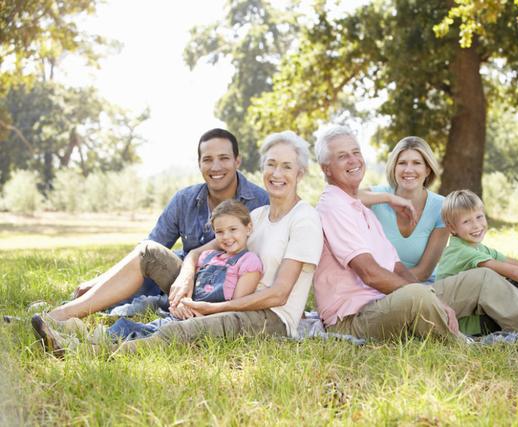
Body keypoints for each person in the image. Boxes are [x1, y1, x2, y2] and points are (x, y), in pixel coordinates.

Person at [312, 125, 518, 351]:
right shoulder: (335, 207)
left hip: (390, 301)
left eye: (356, 152)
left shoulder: (361, 207)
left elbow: (395, 268)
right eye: (343, 157)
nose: (353, 160)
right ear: (326, 168)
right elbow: (369, 272)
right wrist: (430, 297)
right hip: (356, 318)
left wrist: (430, 291)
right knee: (418, 297)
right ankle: (468, 348)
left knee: (480, 278)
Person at [33, 130, 324, 356]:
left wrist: (212, 309)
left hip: (268, 317)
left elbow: (280, 294)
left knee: (184, 330)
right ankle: (67, 320)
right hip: (222, 293)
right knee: (151, 254)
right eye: (271, 164)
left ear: (300, 173)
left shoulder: (304, 220)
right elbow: (200, 250)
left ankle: (85, 348)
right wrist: (188, 272)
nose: (276, 173)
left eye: (287, 166)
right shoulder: (257, 215)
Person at [42, 128, 269, 324]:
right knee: (108, 292)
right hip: (179, 281)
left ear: (237, 161)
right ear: (199, 163)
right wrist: (97, 281)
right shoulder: (185, 199)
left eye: (224, 158)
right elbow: (148, 247)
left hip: (226, 288)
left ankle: (60, 314)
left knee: (122, 300)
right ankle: (57, 313)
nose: (215, 166)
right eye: (207, 159)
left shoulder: (259, 202)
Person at [437, 189, 518, 321]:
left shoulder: (480, 249)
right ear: (452, 228)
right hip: (468, 322)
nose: (476, 225)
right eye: (466, 221)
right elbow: (515, 273)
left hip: (481, 311)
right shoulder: (461, 251)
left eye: (479, 217)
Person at [359, 136, 448, 283]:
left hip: (422, 286)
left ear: (427, 170)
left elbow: (423, 272)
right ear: (394, 168)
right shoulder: (379, 196)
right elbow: (342, 198)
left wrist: (382, 283)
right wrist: (388, 198)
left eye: (416, 163)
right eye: (402, 163)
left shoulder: (441, 207)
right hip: (377, 288)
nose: (408, 170)